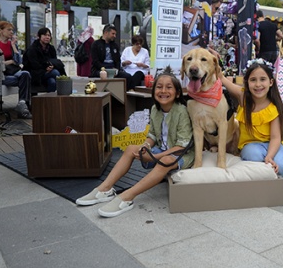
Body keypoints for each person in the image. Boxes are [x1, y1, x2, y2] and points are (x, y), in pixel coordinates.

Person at [76, 69, 195, 218]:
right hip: (162, 149)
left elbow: (182, 147)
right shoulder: (155, 109)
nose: (163, 91)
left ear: (177, 93)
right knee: (132, 148)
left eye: (169, 87)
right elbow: (152, 135)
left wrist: (154, 157)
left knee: (165, 160)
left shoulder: (181, 111)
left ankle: (127, 196)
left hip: (181, 155)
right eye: (159, 87)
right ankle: (104, 189)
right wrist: (146, 146)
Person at [221, 60, 283, 187]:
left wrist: (270, 156)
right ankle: (269, 168)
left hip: (272, 144)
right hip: (251, 145)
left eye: (262, 79)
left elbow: (276, 138)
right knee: (251, 154)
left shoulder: (273, 108)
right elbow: (224, 81)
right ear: (246, 83)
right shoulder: (243, 98)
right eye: (253, 80)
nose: (258, 84)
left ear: (271, 82)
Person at [0, 20, 33, 119]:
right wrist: (10, 61)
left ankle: (21, 103)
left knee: (25, 74)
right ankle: (23, 107)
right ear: (0, 30)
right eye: (9, 30)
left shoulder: (12, 43)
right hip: (1, 75)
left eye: (12, 30)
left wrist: (13, 45)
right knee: (24, 80)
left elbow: (18, 61)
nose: (12, 32)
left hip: (13, 72)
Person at [23, 28, 60, 92]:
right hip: (35, 73)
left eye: (49, 35)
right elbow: (33, 64)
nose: (47, 37)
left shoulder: (51, 48)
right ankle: (64, 91)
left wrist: (52, 66)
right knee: (55, 73)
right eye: (45, 35)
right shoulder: (32, 49)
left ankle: (49, 101)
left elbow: (55, 61)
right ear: (39, 36)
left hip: (47, 73)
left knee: (52, 81)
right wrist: (46, 68)